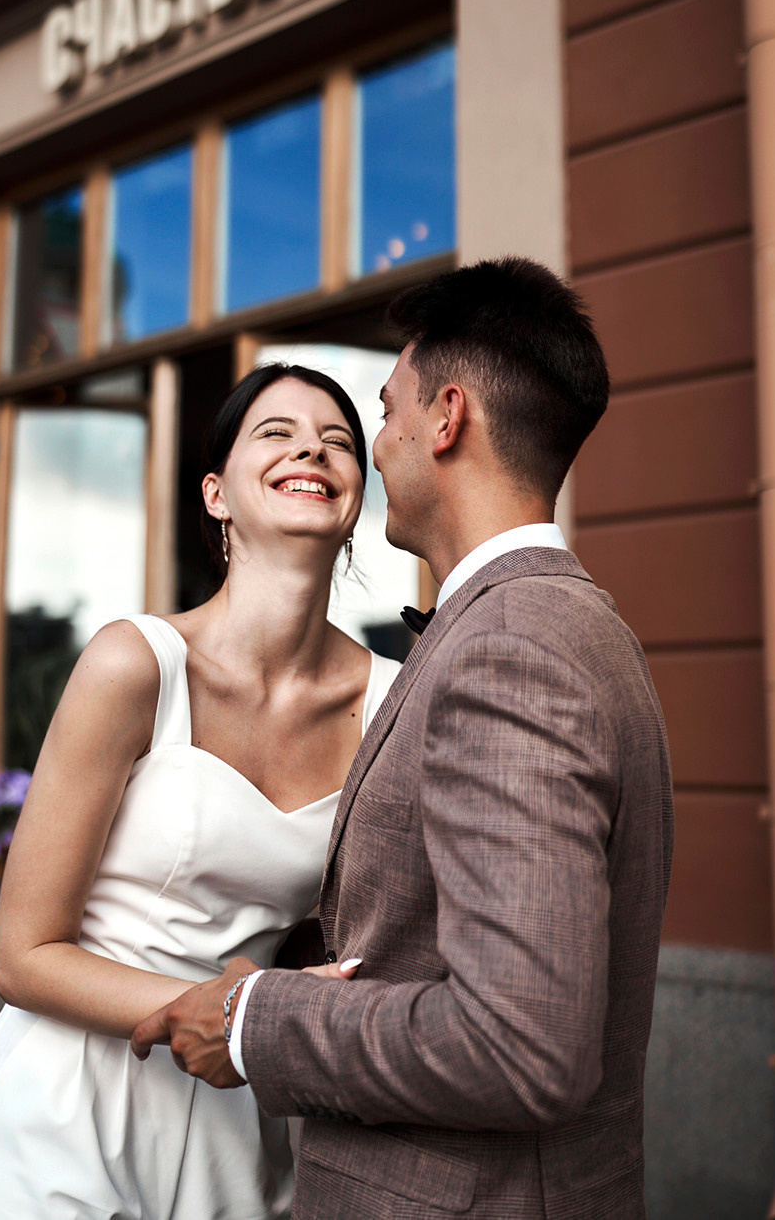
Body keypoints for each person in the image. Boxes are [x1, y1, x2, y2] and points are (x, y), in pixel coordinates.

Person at [132, 257, 675, 1219]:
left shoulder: (509, 650)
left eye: (385, 412)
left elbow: (521, 1045)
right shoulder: (569, 627)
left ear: (448, 417)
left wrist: (258, 1020)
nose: (377, 448)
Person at [0, 364, 403, 1220]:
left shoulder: (392, 701)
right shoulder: (134, 665)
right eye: (278, 432)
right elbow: (21, 953)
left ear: (352, 507)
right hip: (67, 1104)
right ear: (217, 494)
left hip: (236, 1117)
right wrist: (229, 1011)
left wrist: (277, 1011)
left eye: (339, 441)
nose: (313, 447)